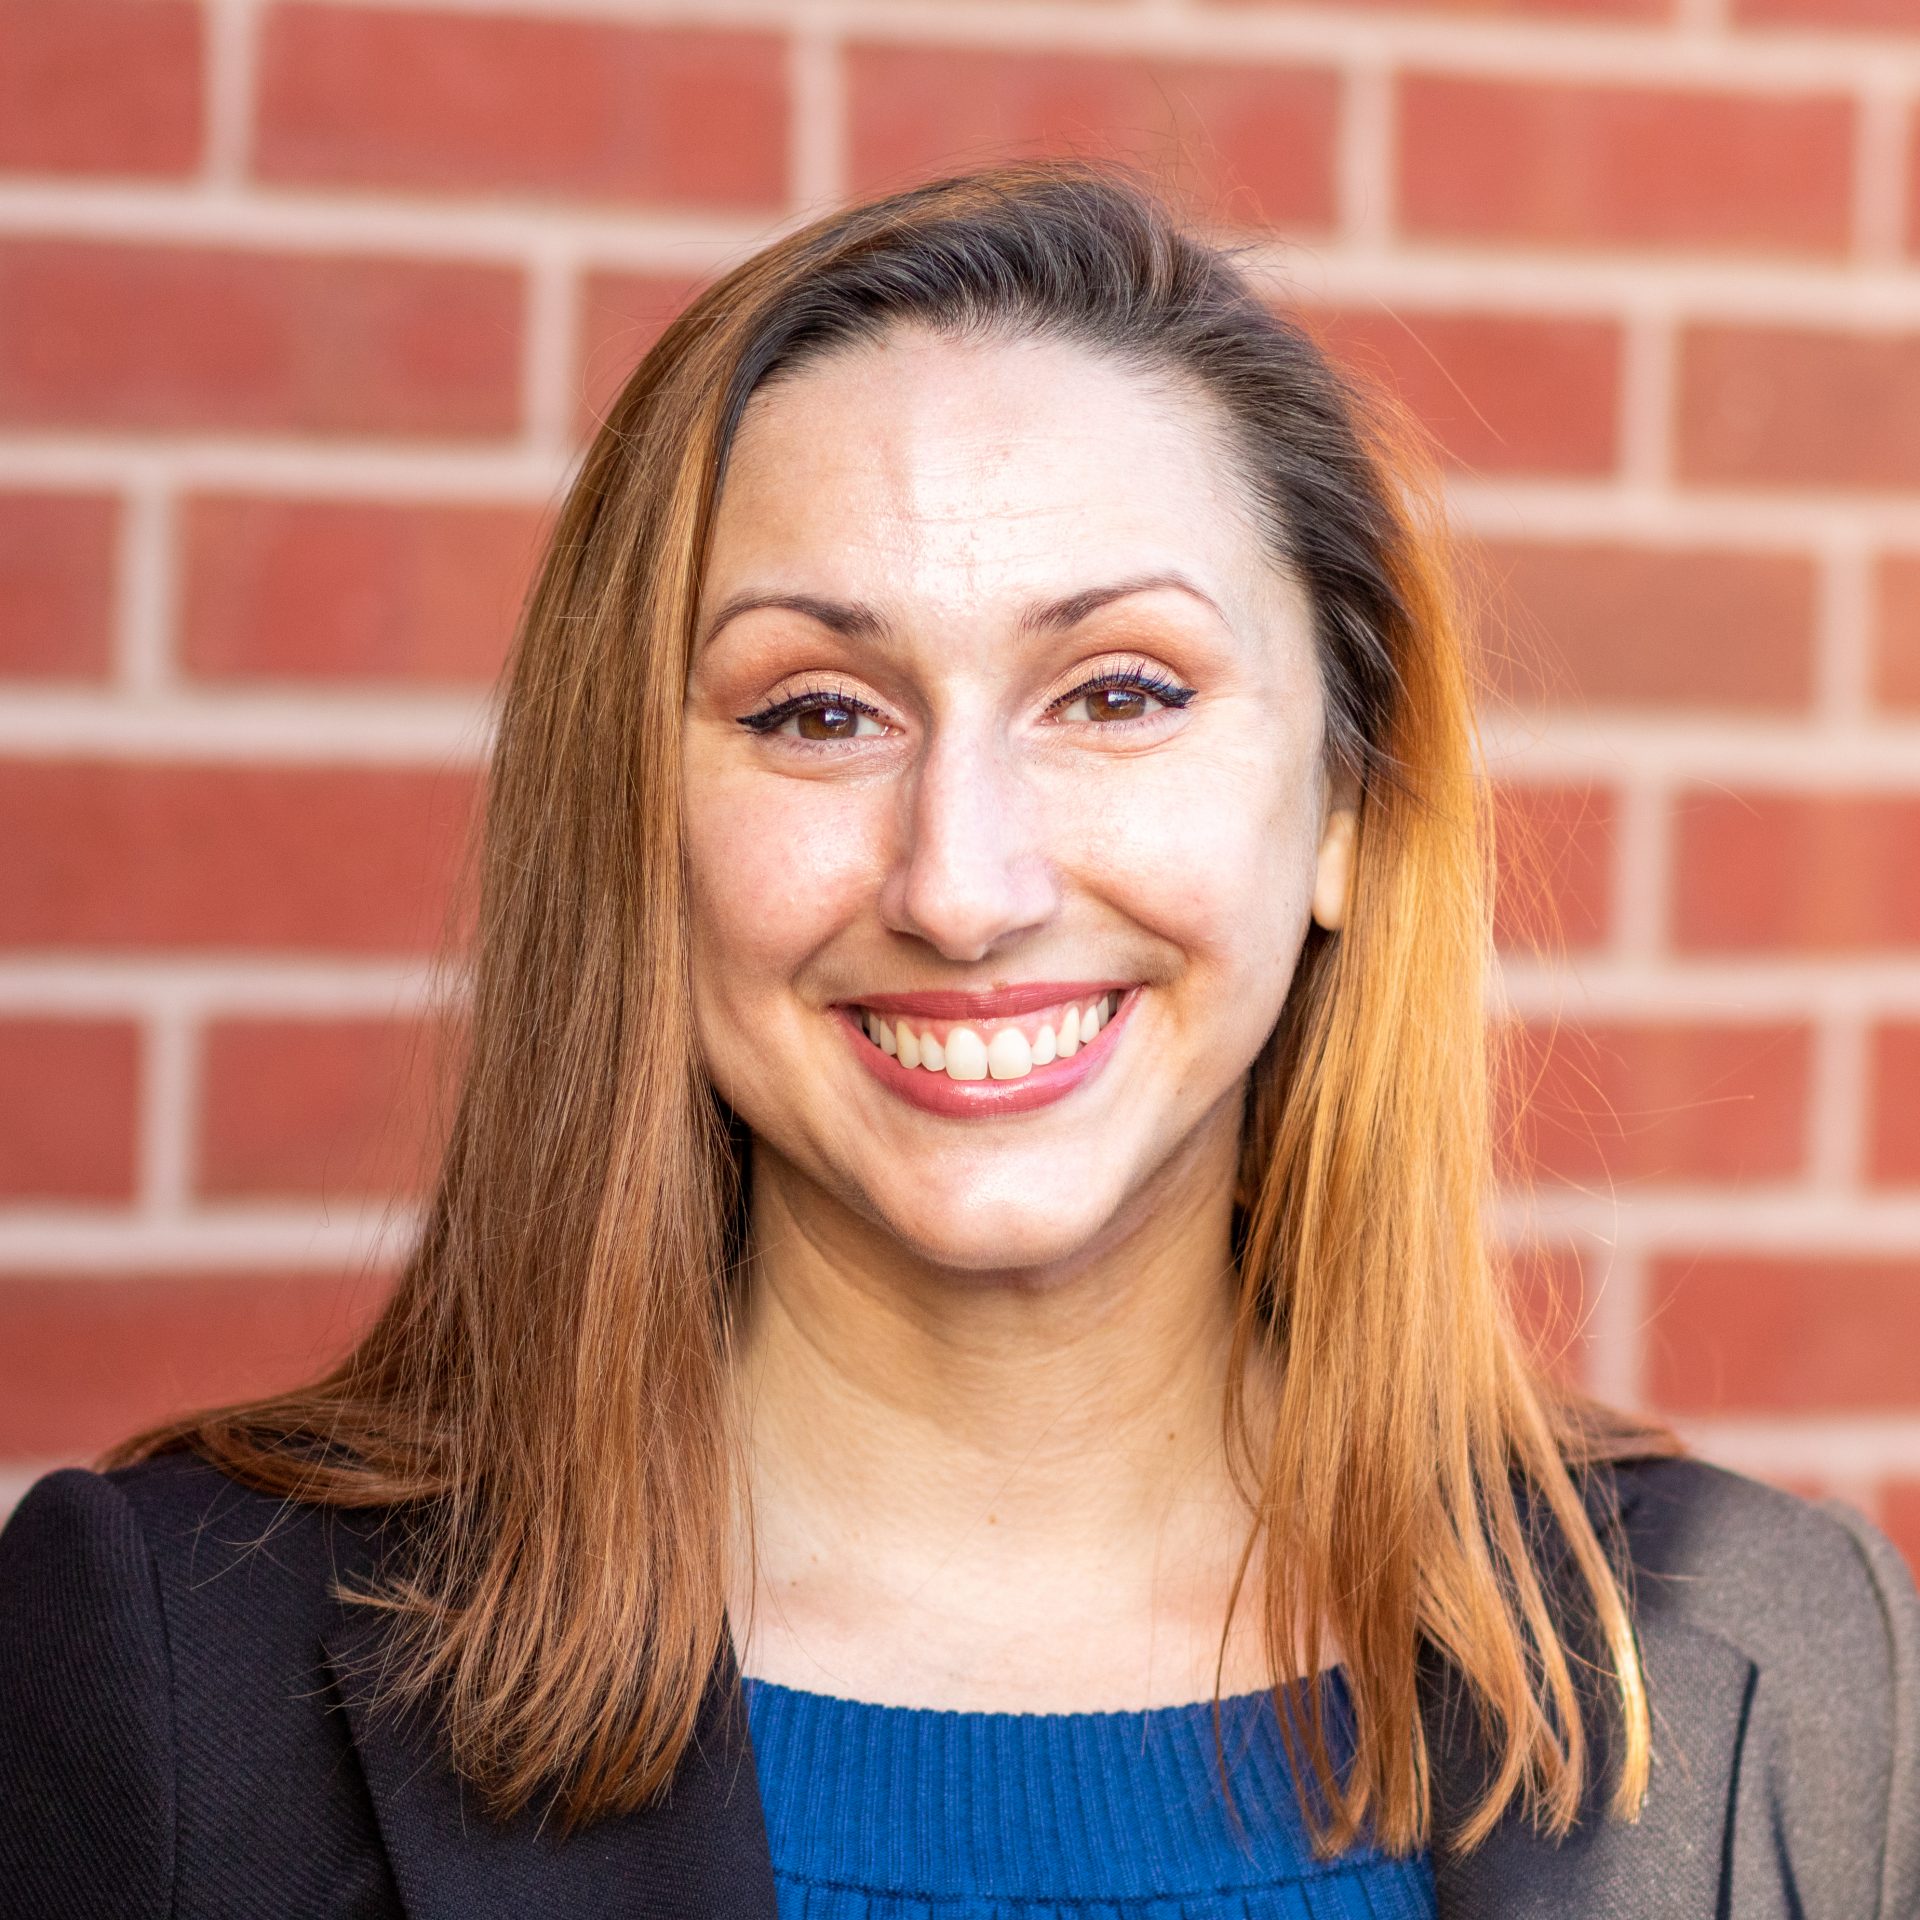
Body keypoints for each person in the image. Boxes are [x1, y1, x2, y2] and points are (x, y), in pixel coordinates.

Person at [0, 158, 1914, 1920]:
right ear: (634, 825)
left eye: (1120, 691)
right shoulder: (176, 1685)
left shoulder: (1792, 1689)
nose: (964, 883)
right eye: (819, 712)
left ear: (1342, 808)